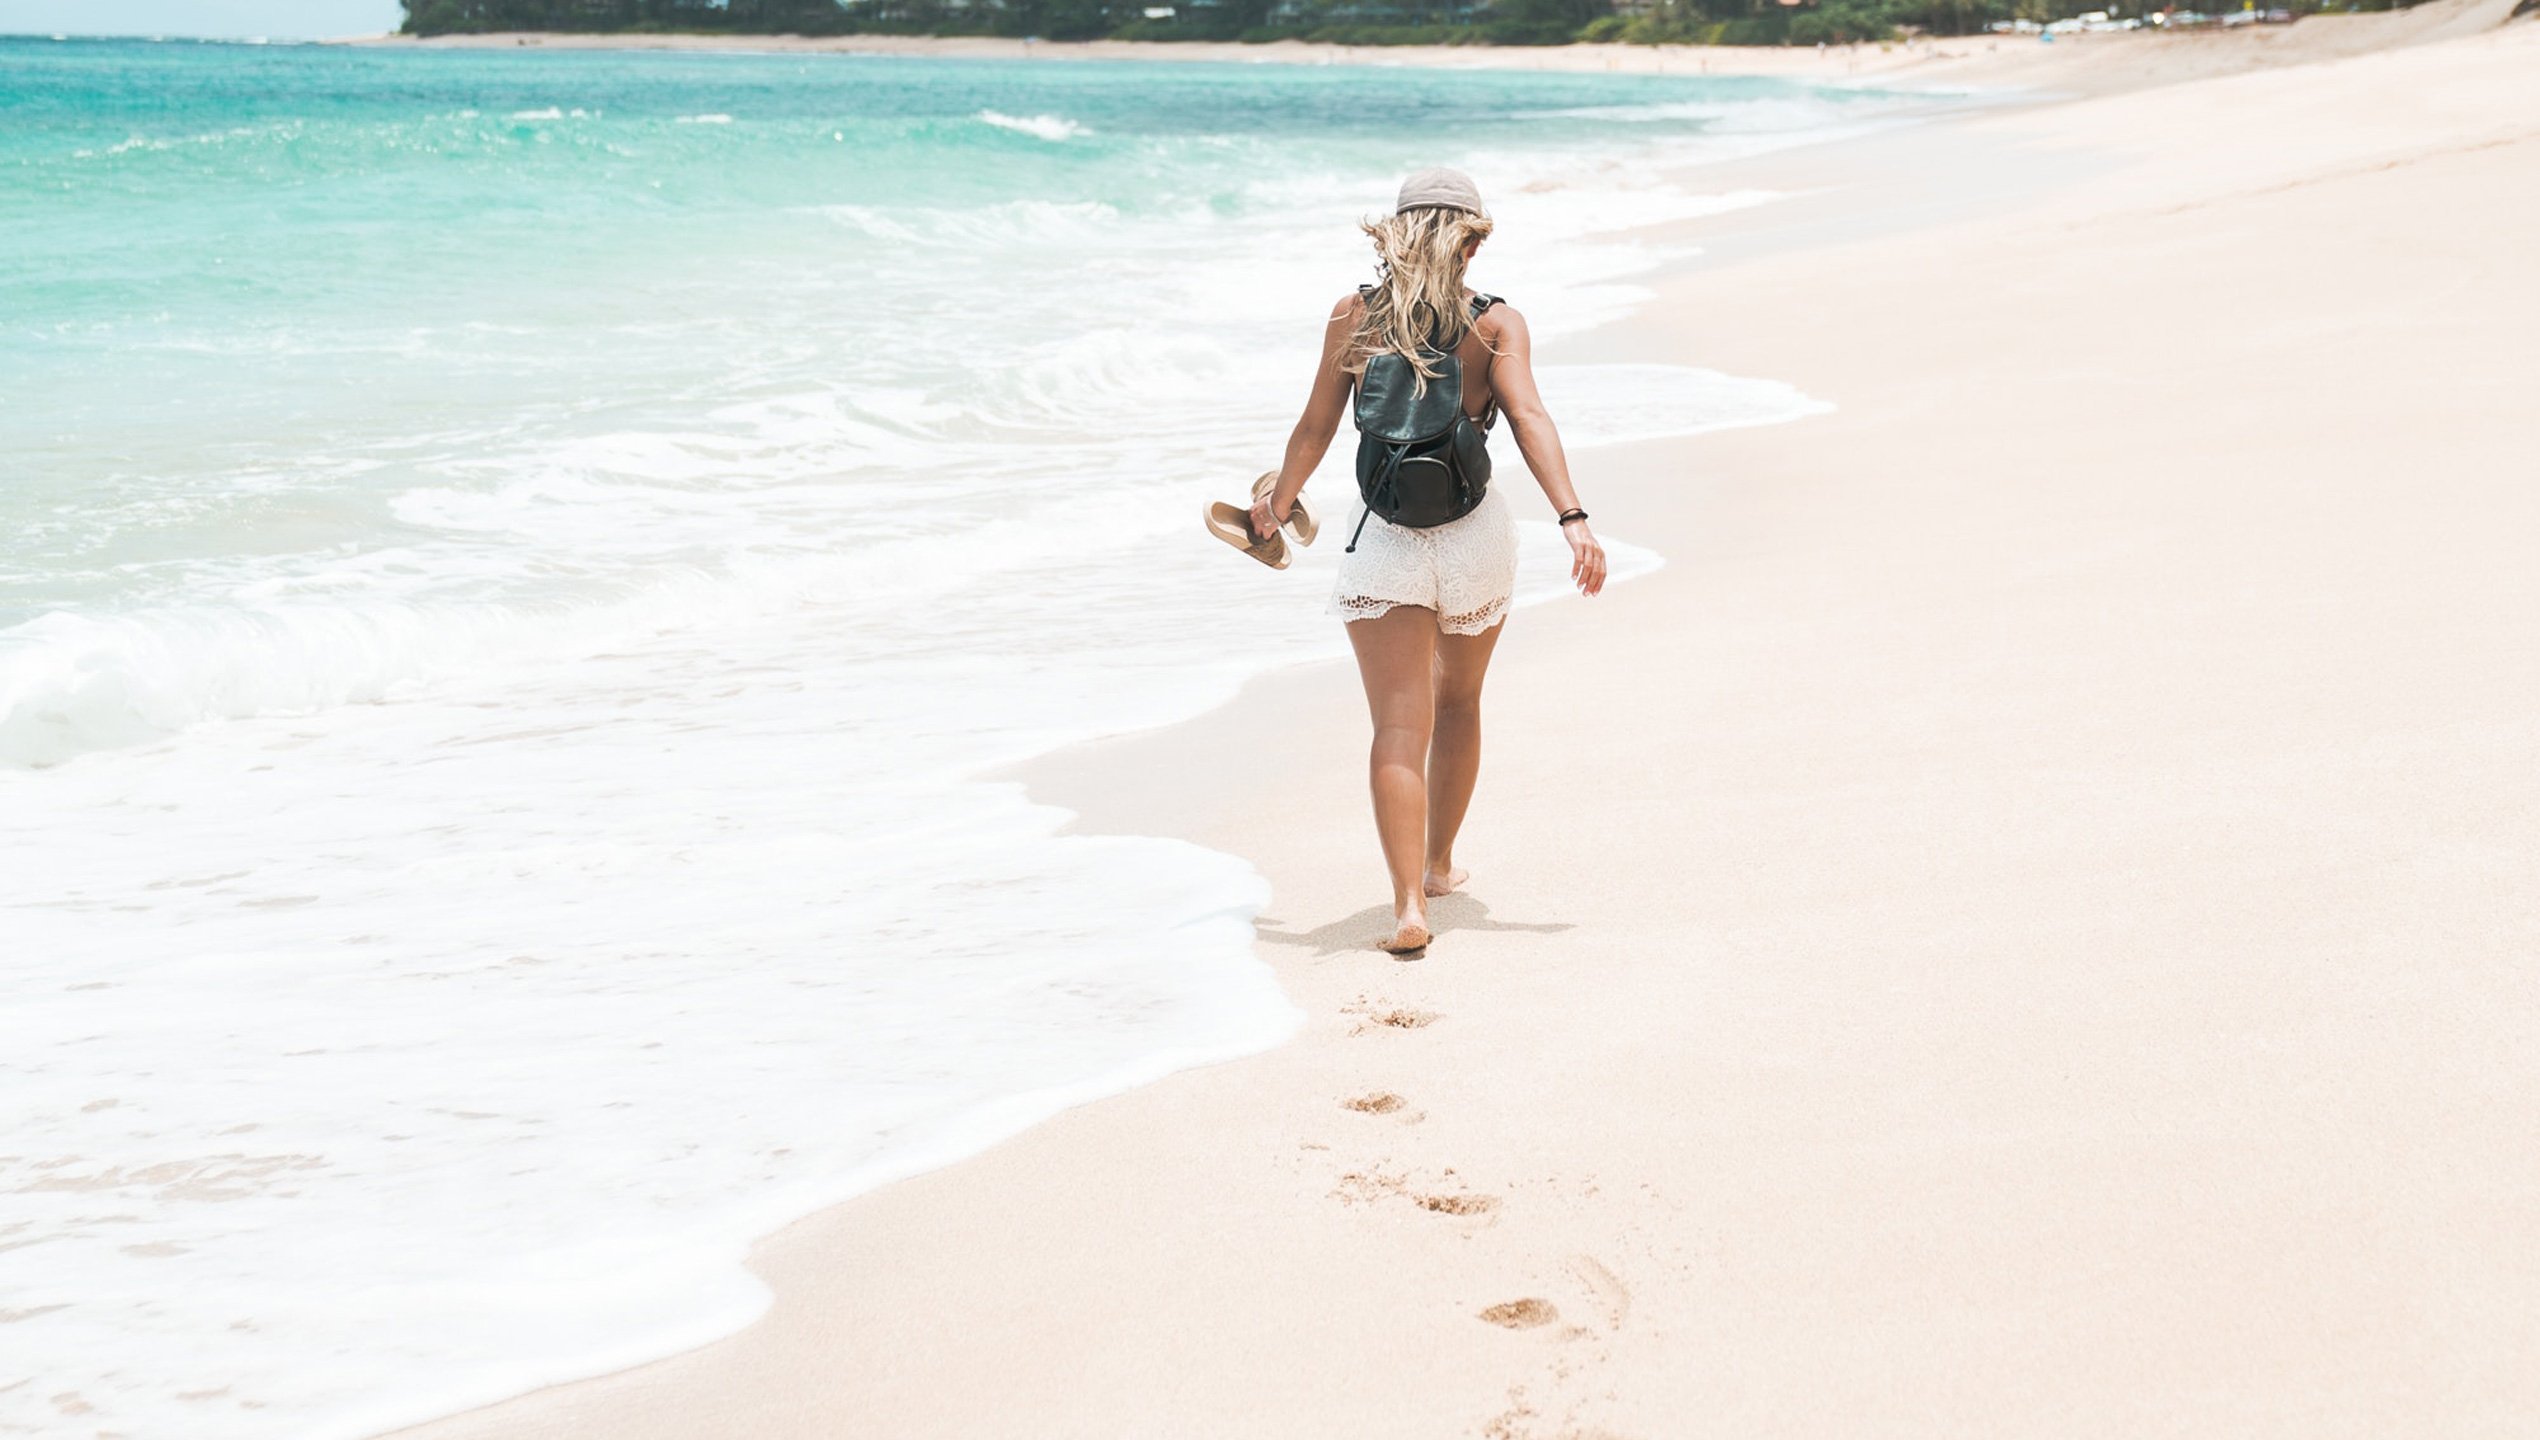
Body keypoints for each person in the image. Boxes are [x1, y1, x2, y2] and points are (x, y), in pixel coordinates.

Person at [1250, 168, 1607, 954]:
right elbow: (1528, 416)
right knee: (1460, 704)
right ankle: (1441, 865)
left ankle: (1409, 905)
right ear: (1471, 243)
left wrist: (1275, 506)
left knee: (1397, 725)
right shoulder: (1496, 323)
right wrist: (1573, 518)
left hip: (1384, 539)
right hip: (1474, 535)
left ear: (1393, 237)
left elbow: (1315, 429)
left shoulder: (1354, 316)